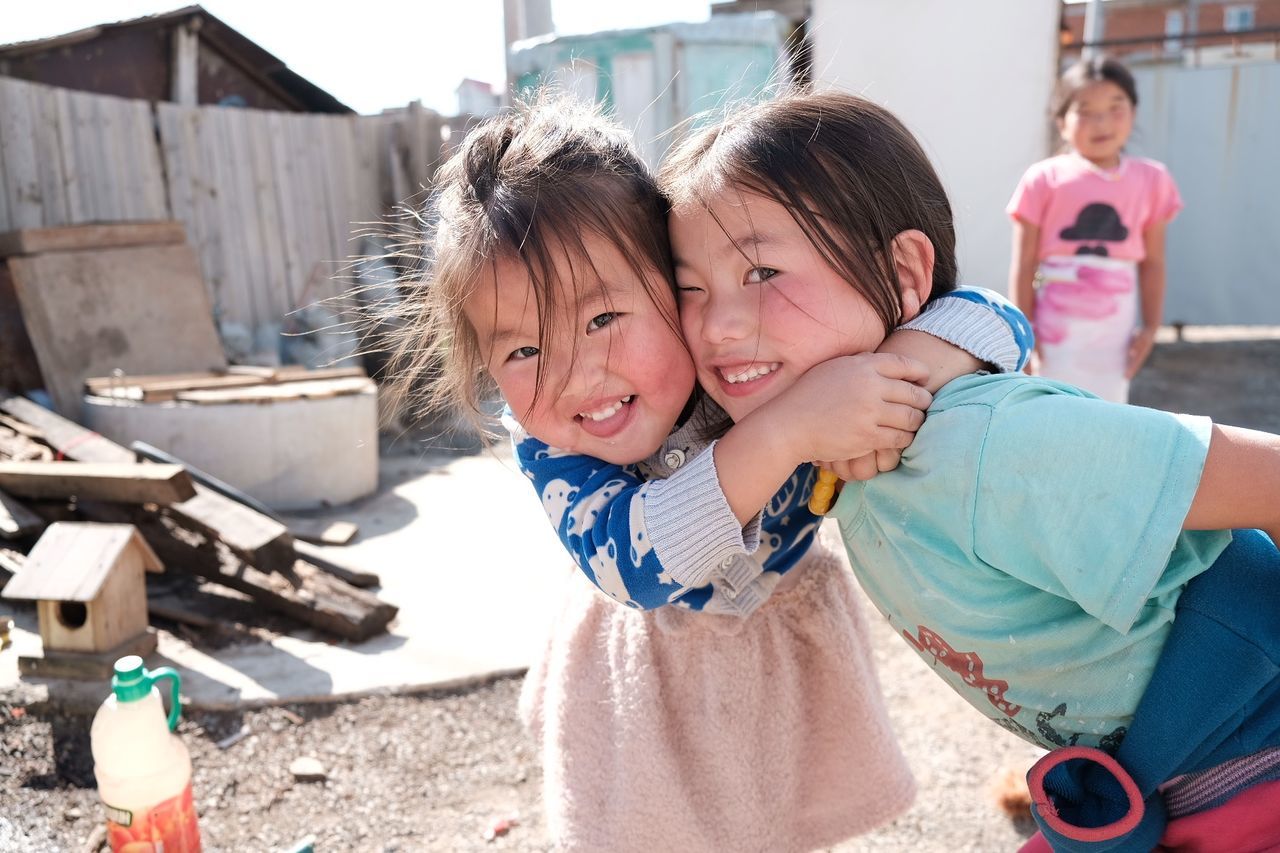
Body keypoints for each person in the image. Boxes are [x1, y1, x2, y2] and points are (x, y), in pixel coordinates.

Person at [386, 94, 1033, 852]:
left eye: (602, 319)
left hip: (782, 641)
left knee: (780, 824)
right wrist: (794, 427)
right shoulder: (549, 442)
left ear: (672, 285)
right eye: (524, 350)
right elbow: (638, 561)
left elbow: (995, 319)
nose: (574, 375)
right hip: (649, 674)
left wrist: (889, 376)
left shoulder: (738, 357)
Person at [662, 88, 1280, 852]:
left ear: (906, 272)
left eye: (761, 271)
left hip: (1250, 766)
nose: (716, 324)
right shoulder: (825, 455)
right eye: (688, 288)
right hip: (1167, 776)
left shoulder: (984, 444)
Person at [1008, 56, 1181, 403]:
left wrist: (1149, 327)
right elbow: (1024, 262)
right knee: (1051, 405)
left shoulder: (1152, 179)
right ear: (1061, 121)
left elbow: (1153, 262)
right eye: (1084, 110)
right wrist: (1023, 329)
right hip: (1055, 323)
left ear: (1133, 111)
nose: (1101, 121)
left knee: (1107, 410)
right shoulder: (1043, 178)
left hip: (1115, 324)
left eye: (1115, 107)